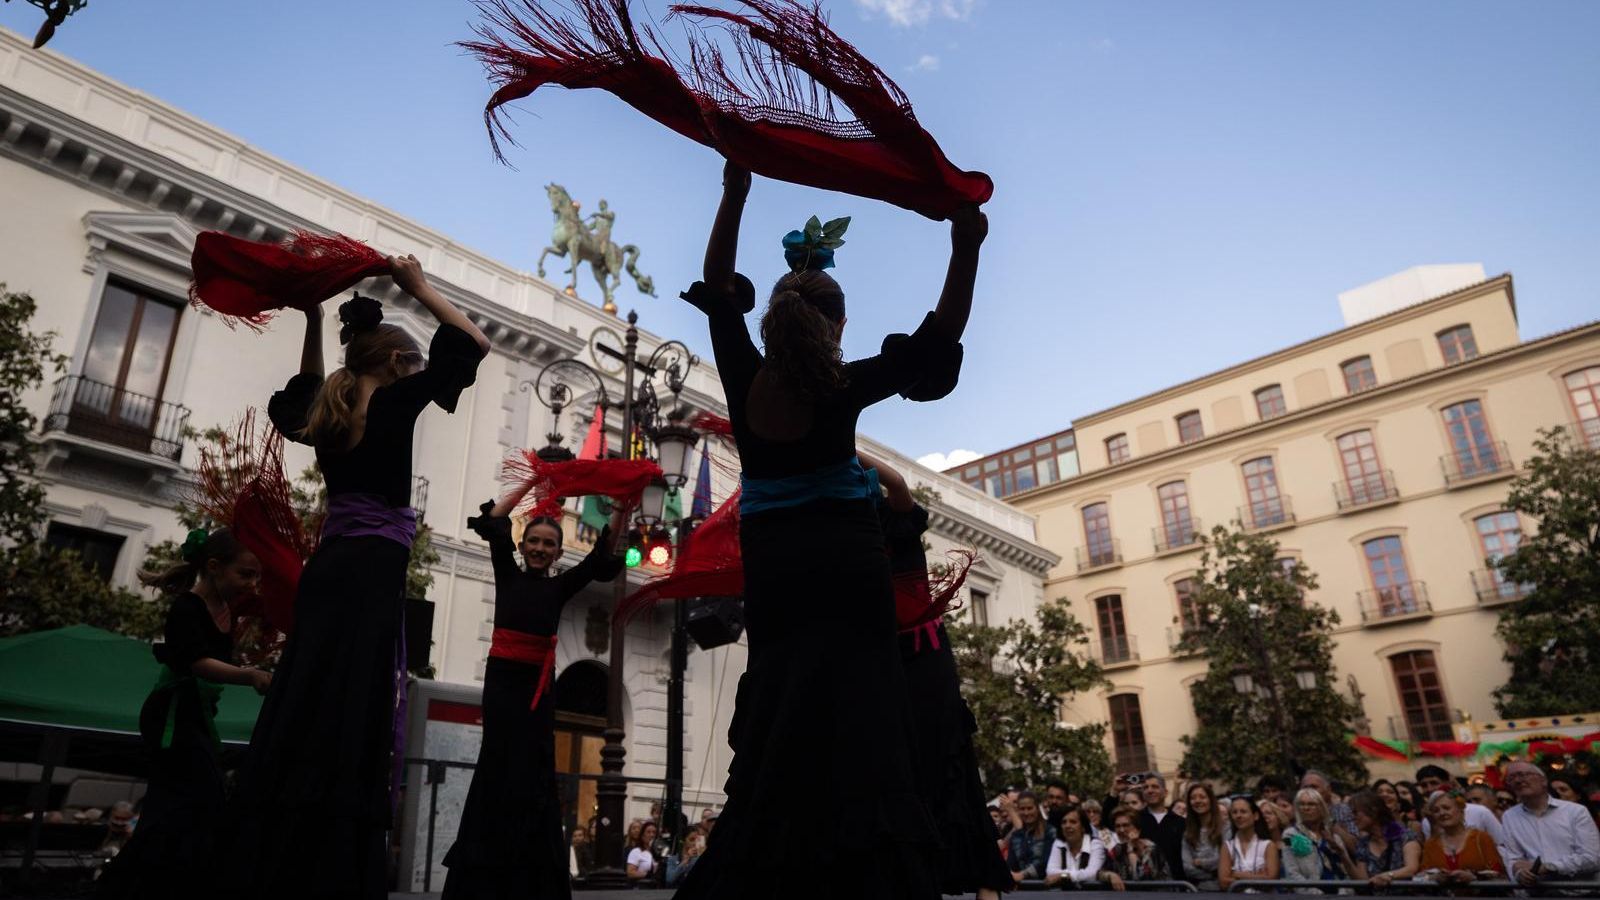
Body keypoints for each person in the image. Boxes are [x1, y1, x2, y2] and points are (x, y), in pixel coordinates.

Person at [672, 160, 985, 900]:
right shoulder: (842, 385)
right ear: (837, 326)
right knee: (863, 713)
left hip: (778, 571)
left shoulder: (745, 373)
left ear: (775, 312)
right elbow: (943, 333)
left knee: (783, 703)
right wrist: (966, 246)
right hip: (848, 566)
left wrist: (735, 190)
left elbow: (717, 284)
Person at [229, 257, 489, 899]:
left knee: (309, 688)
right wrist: (418, 287)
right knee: (355, 701)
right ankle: (335, 856)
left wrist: (315, 320)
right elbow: (475, 342)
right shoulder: (400, 401)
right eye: (414, 362)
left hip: (331, 570)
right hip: (372, 571)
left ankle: (273, 843)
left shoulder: (328, 411)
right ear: (398, 363)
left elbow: (305, 391)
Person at [440, 489, 623, 899]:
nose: (541, 549)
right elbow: (497, 519)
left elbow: (600, 556)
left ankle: (531, 873)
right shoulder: (506, 571)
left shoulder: (559, 588)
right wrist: (534, 480)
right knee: (497, 766)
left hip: (538, 692)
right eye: (535, 541)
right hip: (503, 688)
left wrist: (623, 508)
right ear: (522, 546)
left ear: (558, 553)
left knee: (535, 773)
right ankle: (485, 868)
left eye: (549, 544)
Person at [861, 451, 1009, 898]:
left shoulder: (895, 523)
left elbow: (899, 484)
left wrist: (839, 441)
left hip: (925, 659)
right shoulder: (843, 545)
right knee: (900, 768)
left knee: (947, 759)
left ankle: (983, 877)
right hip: (883, 664)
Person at [98, 529, 270, 900]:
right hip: (172, 715)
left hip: (196, 716)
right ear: (213, 567)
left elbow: (219, 660)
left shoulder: (226, 610)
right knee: (197, 800)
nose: (252, 583)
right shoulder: (186, 608)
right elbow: (197, 662)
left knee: (179, 807)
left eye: (256, 575)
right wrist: (250, 675)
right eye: (245, 574)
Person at [1498, 761, 1600, 884]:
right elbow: (1513, 859)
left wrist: (1549, 867)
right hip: (1536, 893)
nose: (1518, 781)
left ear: (1543, 781)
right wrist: (1519, 873)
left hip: (1578, 892)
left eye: (1523, 774)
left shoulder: (1575, 812)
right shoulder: (1510, 816)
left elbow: (1592, 858)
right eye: (1511, 778)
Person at [1419, 791, 1504, 885]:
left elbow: (1498, 873)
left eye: (1446, 808)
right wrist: (1435, 877)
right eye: (1436, 811)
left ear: (1461, 810)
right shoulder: (1431, 844)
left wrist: (1473, 877)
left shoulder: (1481, 838)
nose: (1442, 813)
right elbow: (1421, 876)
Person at [1416, 765, 1505, 848]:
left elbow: (1502, 843)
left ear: (1448, 784)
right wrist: (1433, 825)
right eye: (1424, 785)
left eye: (1434, 783)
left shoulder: (1479, 811)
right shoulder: (1427, 821)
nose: (1429, 789)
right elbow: (1434, 853)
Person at [1348, 789, 1423, 887]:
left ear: (1373, 810)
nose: (1352, 817)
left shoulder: (1405, 836)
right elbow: (1363, 882)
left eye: (1355, 812)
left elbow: (1411, 868)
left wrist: (1389, 876)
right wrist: (1343, 854)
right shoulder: (1363, 844)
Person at [1282, 788, 1355, 885]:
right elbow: (1291, 872)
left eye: (1311, 804)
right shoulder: (1289, 835)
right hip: (1309, 894)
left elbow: (1347, 870)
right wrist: (1313, 893)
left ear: (1321, 808)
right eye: (1302, 804)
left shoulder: (1334, 837)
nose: (1306, 808)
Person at [1099, 806, 1171, 890]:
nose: (1121, 830)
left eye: (1126, 825)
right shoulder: (1116, 850)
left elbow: (1148, 877)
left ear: (1137, 828)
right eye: (1117, 826)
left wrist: (1134, 848)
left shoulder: (1152, 849)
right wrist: (1110, 875)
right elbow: (1100, 873)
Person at [1220, 796, 1281, 889]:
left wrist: (1237, 875)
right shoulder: (1227, 846)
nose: (1238, 816)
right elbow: (1223, 882)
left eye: (1243, 811)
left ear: (1255, 816)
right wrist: (1258, 877)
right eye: (1234, 812)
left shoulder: (1268, 845)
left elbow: (1271, 880)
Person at [1137, 773, 1186, 882]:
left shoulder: (1180, 822)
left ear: (1165, 792)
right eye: (1146, 787)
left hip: (1177, 886)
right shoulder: (1135, 820)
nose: (1150, 790)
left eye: (1155, 787)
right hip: (1144, 887)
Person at [1046, 806, 1105, 889]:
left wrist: (1063, 876)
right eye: (1064, 822)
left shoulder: (1095, 844)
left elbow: (1092, 873)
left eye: (1073, 822)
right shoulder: (1058, 843)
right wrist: (1069, 875)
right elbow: (1050, 872)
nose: (1067, 826)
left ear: (1083, 827)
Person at [1180, 783, 1224, 890]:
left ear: (1211, 800)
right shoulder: (1187, 833)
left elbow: (1223, 861)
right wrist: (1213, 874)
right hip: (1198, 890)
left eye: (1202, 797)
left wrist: (1200, 862)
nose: (1197, 801)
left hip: (1224, 890)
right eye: (1193, 798)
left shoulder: (1225, 828)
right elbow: (1187, 867)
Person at [1301, 770, 1358, 852]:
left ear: (1328, 789)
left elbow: (1355, 848)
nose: (1310, 791)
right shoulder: (1297, 813)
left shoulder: (1344, 810)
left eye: (1314, 787)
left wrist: (1328, 818)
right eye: (1305, 788)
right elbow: (1288, 843)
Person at [1007, 791, 1053, 885]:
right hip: (1021, 888)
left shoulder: (1050, 831)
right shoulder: (1016, 836)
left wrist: (1023, 874)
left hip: (1045, 886)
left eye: (1029, 808)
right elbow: (1011, 864)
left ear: (1037, 808)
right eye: (1022, 809)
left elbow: (1047, 861)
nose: (1026, 812)